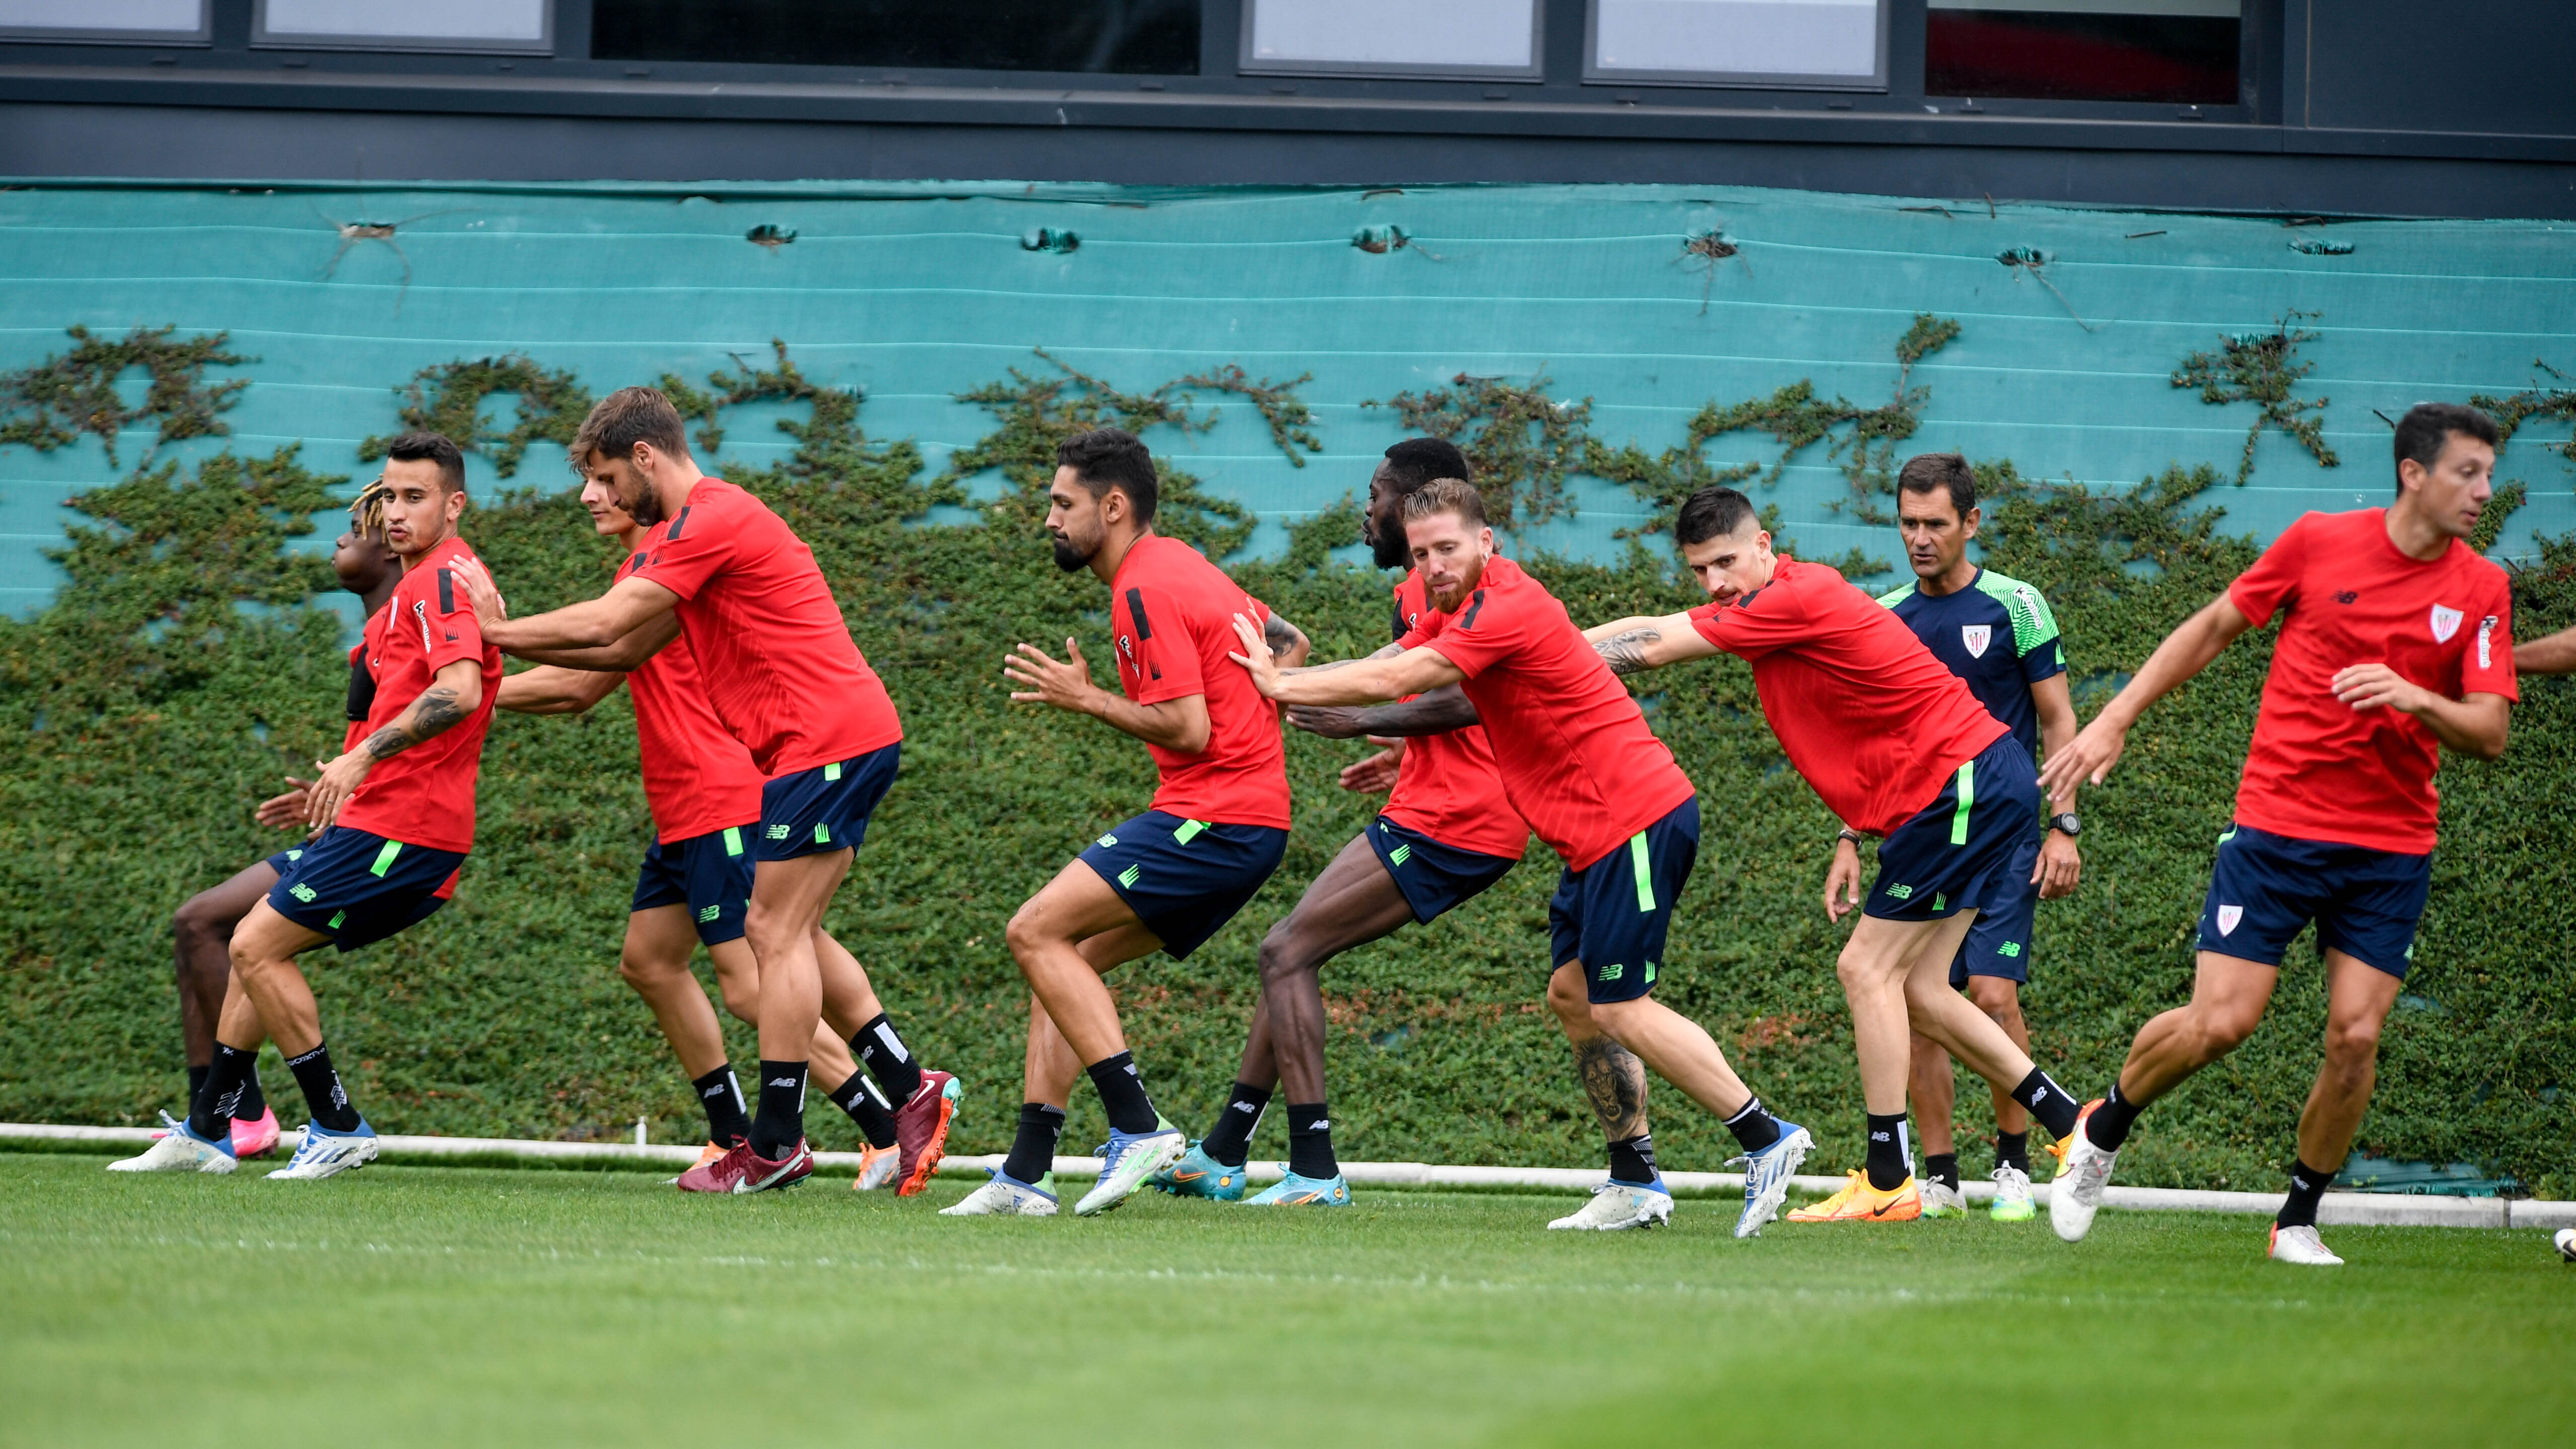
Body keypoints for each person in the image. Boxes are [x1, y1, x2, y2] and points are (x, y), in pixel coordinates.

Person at [1228, 478, 1814, 1239]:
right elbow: (1401, 656)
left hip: (1634, 816)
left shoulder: (1506, 605)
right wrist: (1306, 692)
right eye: (1421, 553)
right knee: (1575, 997)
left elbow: (1409, 678)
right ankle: (1635, 1180)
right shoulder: (1458, 609)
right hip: (1593, 836)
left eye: (1447, 548)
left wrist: (1283, 680)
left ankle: (1765, 1137)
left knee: (1621, 1005)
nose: (1434, 564)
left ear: (1486, 544)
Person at [2043, 402, 2516, 1265]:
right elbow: (2216, 627)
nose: (2485, 490)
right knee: (2221, 1024)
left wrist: (2416, 696)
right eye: (2468, 472)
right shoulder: (2317, 541)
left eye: (2489, 473)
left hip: (2392, 849)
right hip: (2278, 829)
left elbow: (2488, 733)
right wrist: (2114, 720)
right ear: (2414, 472)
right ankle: (2102, 1127)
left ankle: (2297, 1216)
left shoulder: (2482, 588)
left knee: (2357, 1037)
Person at [449, 387, 953, 1196]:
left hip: (825, 741)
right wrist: (478, 690)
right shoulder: (688, 535)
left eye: (607, 478)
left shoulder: (709, 519)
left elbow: (607, 625)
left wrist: (490, 631)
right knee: (791, 932)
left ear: (645, 458)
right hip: (820, 744)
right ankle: (906, 1090)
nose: (595, 495)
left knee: (773, 935)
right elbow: (618, 651)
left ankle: (780, 1140)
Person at [1581, 484, 2088, 1225]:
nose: (1716, 583)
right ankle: (2073, 1124)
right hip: (1964, 787)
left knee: (1865, 967)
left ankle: (1890, 1181)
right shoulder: (1770, 605)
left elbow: (1655, 642)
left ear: (1764, 546)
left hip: (1960, 785)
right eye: (1700, 572)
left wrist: (1533, 655)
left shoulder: (1795, 595)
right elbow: (1666, 627)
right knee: (1920, 990)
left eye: (1726, 561)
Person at [943, 427, 1309, 1219]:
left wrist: (1087, 699)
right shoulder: (1180, 564)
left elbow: (1188, 729)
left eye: (1062, 502)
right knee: (1060, 955)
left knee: (1029, 930)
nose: (1049, 517)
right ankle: (1025, 1173)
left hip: (1215, 819)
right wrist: (1268, 692)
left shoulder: (1143, 587)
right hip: (1241, 822)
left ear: (1113, 507)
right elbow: (1287, 642)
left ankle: (1138, 1126)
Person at [111, 433, 498, 1179]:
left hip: (407, 831)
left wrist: (359, 759)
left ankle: (338, 1122)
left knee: (256, 946)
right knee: (243, 939)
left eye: (414, 496)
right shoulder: (411, 591)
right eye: (389, 493)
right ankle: (209, 1128)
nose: (392, 510)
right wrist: (343, 777)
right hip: (371, 819)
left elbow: (462, 690)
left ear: (454, 506)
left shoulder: (445, 579)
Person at [158, 484, 403, 1161]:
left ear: (387, 547)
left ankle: (265, 1119)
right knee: (201, 923)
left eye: (351, 534)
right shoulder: (375, 634)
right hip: (347, 822)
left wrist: (355, 789)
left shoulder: (404, 623)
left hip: (385, 836)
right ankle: (217, 1118)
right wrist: (329, 795)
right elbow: (378, 743)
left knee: (235, 935)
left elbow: (427, 733)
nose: (338, 544)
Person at [1875, 453, 2084, 1221]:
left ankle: (2015, 1165)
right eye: (1908, 523)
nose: (1920, 538)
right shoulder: (1888, 614)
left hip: (2002, 838)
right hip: (1920, 837)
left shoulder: (2017, 604)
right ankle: (1937, 1177)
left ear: (1971, 522)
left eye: (1935, 523)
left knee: (1993, 995)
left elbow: (2059, 720)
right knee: (1914, 1003)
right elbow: (1877, 737)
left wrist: (2063, 826)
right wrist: (1846, 834)